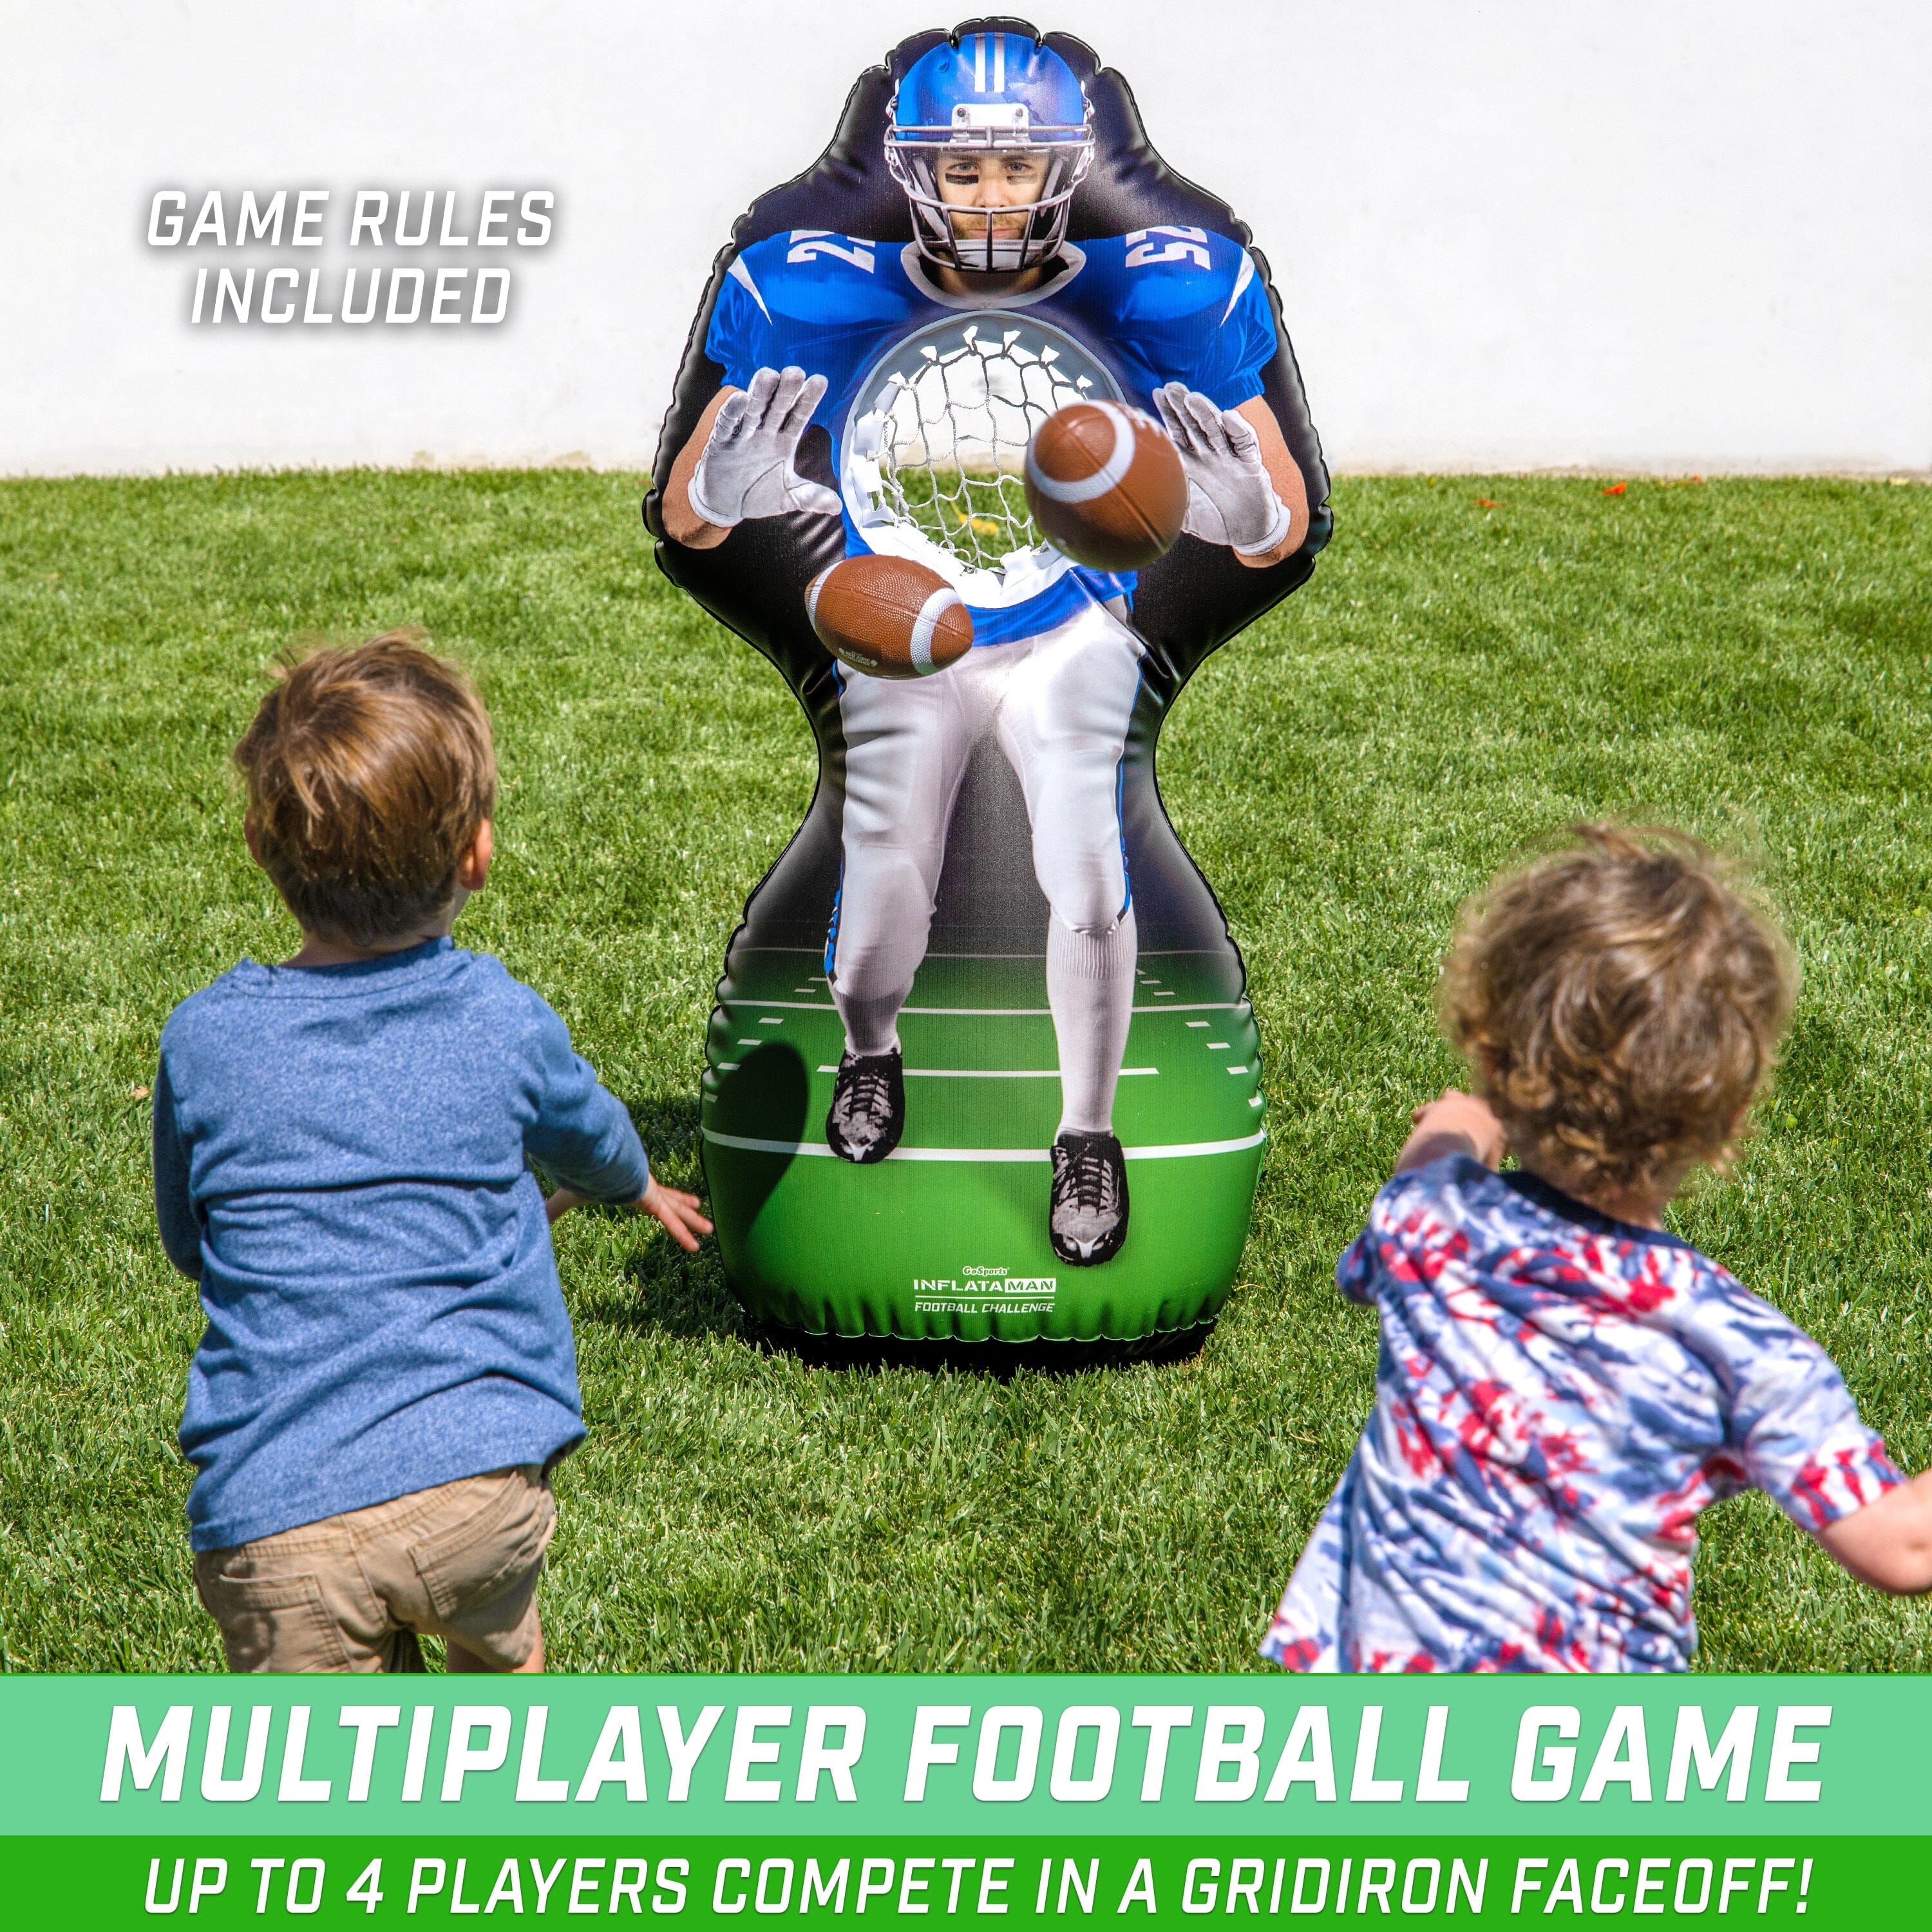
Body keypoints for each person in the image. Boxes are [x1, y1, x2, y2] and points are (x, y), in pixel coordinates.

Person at [660, 30, 1310, 1267]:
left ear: (1068, 167)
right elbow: (692, 516)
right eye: (966, 172)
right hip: (904, 617)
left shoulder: (1167, 289)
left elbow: (1278, 523)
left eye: (1018, 165)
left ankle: (1085, 1134)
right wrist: (726, 491)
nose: (994, 196)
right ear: (916, 176)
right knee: (880, 901)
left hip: (1071, 620)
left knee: (1087, 862)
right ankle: (869, 1054)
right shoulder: (808, 288)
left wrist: (1247, 515)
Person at [153, 634, 709, 1672]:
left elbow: (192, 1242)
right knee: (497, 1697)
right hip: (477, 1495)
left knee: (333, 1799)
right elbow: (585, 1129)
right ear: (477, 856)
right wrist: (633, 1186)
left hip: (274, 1528)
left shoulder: (203, 1038)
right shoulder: (500, 1019)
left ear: (258, 848)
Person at [1261, 824, 1932, 1673]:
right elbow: (1903, 1548)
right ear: (1728, 1122)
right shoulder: (1733, 1343)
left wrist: (1465, 1122)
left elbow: (1429, 1166)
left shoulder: (1429, 1231)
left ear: (1495, 1058)